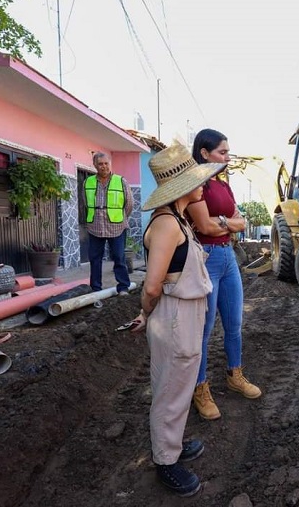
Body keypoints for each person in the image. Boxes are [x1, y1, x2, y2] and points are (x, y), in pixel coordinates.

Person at [128, 139, 225, 497]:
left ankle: (173, 441)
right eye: (198, 180)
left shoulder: (177, 220)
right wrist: (145, 312)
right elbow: (152, 286)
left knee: (179, 385)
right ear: (182, 186)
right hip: (174, 317)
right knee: (170, 390)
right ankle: (165, 460)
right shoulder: (168, 225)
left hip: (183, 314)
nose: (204, 185)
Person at [186, 128, 261, 421]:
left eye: (228, 151)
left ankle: (235, 374)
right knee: (203, 331)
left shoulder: (222, 184)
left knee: (234, 323)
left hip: (228, 257)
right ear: (205, 153)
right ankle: (200, 387)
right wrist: (229, 223)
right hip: (206, 259)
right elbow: (204, 227)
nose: (228, 157)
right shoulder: (196, 183)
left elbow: (242, 221)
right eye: (223, 152)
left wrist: (226, 223)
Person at [82, 152, 133, 294]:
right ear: (95, 165)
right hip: (95, 227)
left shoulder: (121, 181)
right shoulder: (88, 182)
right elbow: (85, 203)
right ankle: (96, 288)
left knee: (119, 257)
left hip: (116, 226)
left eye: (106, 163)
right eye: (100, 164)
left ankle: (123, 287)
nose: (103, 166)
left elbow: (129, 204)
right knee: (95, 259)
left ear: (110, 164)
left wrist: (120, 217)